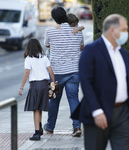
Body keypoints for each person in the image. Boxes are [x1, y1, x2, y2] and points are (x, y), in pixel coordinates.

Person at [72, 14, 129, 150]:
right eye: (124, 29)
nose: (126, 33)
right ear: (113, 30)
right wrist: (96, 111)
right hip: (98, 112)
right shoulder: (90, 50)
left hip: (122, 113)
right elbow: (86, 82)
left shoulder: (123, 54)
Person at [43, 6, 84, 137]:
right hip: (74, 71)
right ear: (65, 15)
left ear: (55, 18)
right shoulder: (77, 31)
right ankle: (77, 127)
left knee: (54, 100)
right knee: (73, 98)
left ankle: (50, 127)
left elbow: (47, 45)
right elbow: (81, 47)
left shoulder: (50, 31)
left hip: (56, 73)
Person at [18, 38, 55, 141]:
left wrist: (21, 87)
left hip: (35, 85)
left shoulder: (28, 58)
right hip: (44, 85)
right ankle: (39, 126)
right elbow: (51, 72)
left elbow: (27, 73)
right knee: (40, 107)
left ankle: (36, 133)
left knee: (36, 109)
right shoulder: (44, 57)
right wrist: (53, 83)